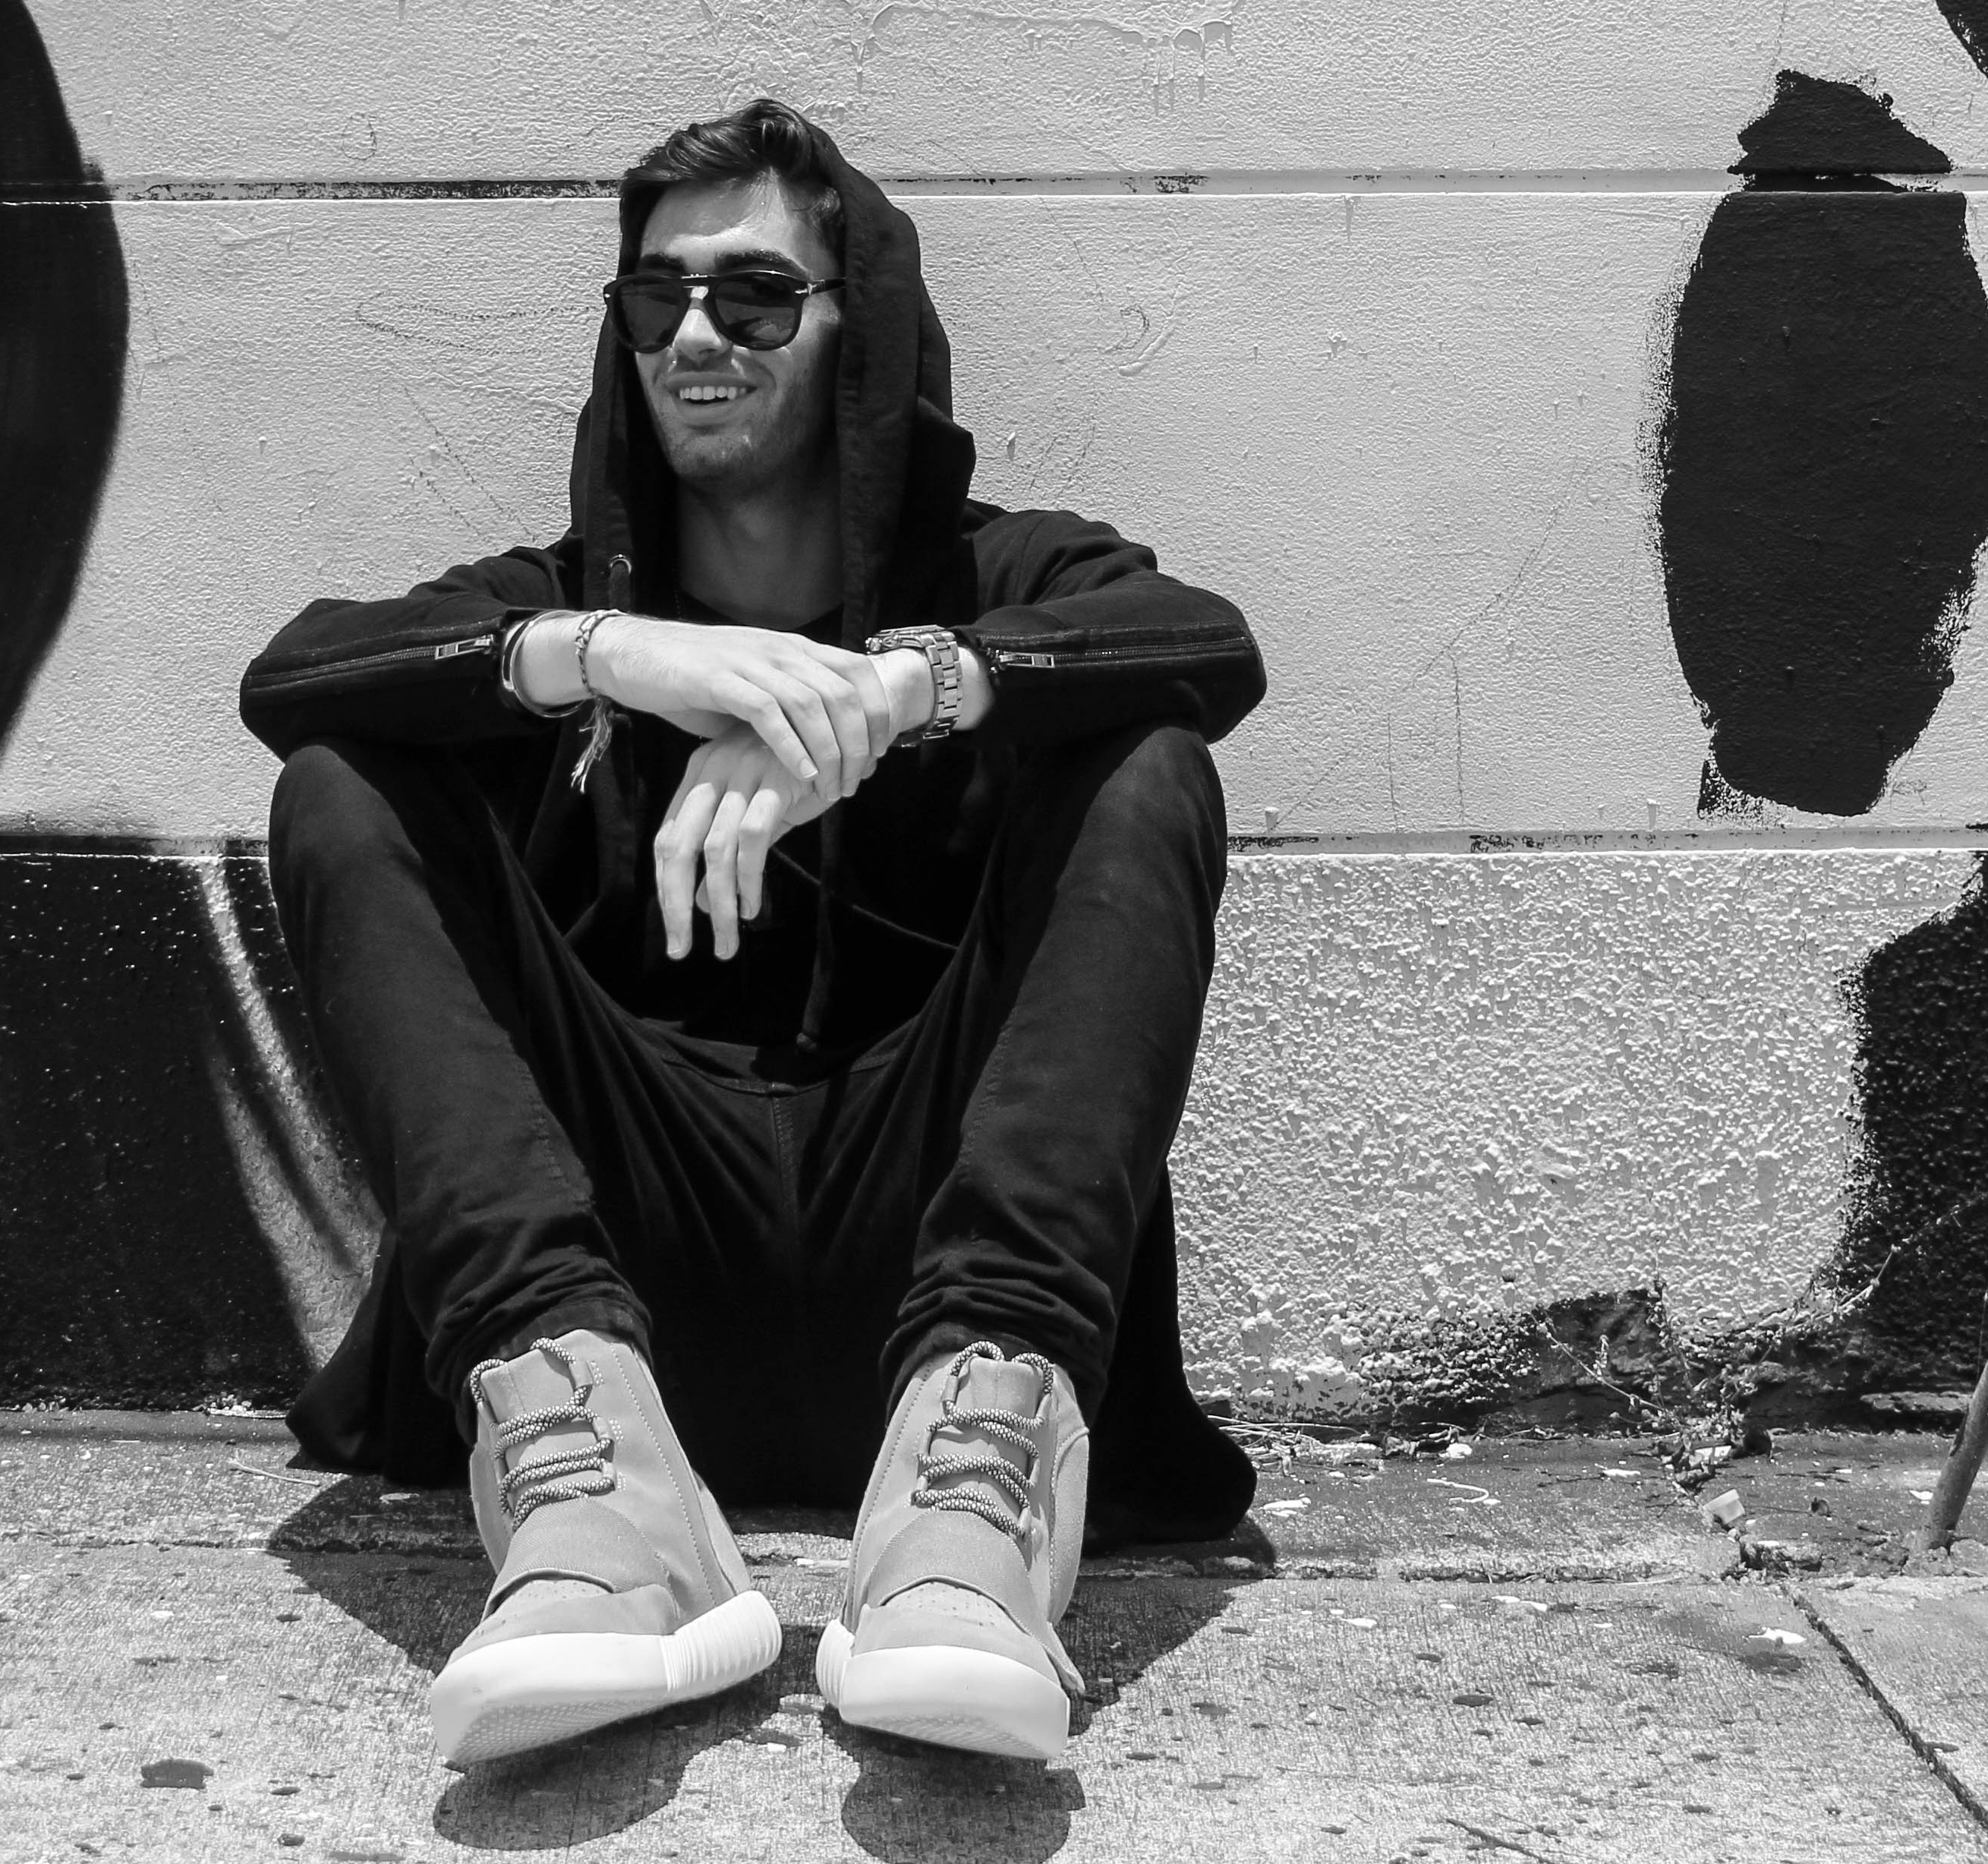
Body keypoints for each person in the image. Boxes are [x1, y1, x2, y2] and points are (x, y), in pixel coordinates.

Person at [241, 98, 1264, 1768]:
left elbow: (1206, 643)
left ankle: (971, 1514)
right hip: (623, 1297)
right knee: (341, 782)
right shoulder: (561, 601)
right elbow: (294, 673)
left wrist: (901, 690)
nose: (699, 333)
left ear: (862, 331)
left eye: (758, 295)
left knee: (1150, 764)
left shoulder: (1003, 578)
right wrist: (614, 656)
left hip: (931, 1275)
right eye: (661, 295)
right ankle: (597, 1504)